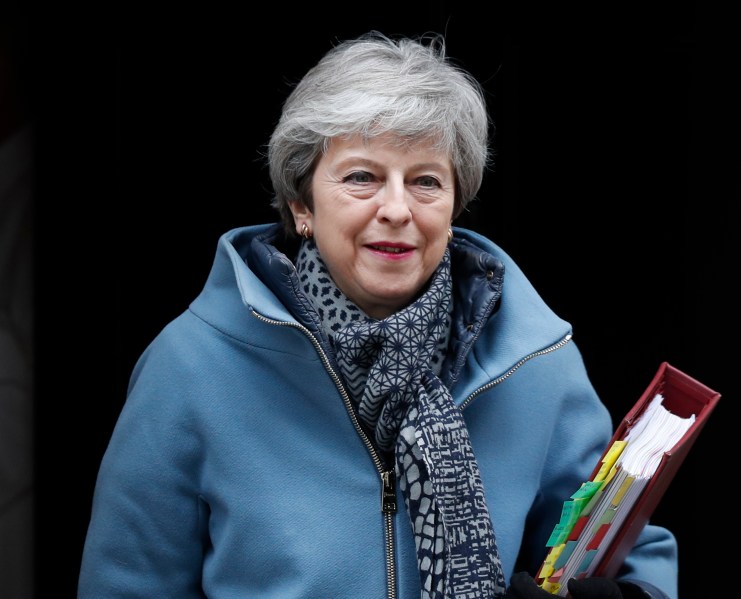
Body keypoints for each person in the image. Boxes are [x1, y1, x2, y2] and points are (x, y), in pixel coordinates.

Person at [77, 31, 678, 599]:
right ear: (300, 203)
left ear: (454, 204)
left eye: (425, 182)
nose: (396, 208)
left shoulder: (538, 365)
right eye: (362, 177)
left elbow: (621, 545)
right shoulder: (190, 367)